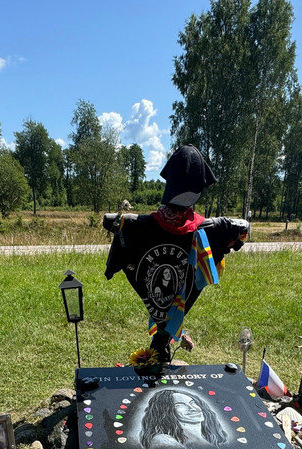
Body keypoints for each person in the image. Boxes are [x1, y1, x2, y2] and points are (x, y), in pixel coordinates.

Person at [103, 145, 249, 363]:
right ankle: (162, 341)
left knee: (162, 338)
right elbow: (241, 229)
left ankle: (162, 341)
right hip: (169, 303)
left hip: (170, 306)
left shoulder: (142, 226)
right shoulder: (208, 229)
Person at [139, 389, 228, 449]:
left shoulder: (214, 437)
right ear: (166, 412)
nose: (193, 408)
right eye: (180, 405)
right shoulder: (163, 440)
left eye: (192, 403)